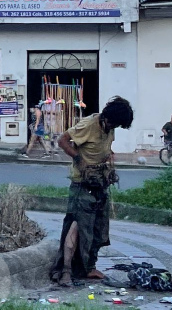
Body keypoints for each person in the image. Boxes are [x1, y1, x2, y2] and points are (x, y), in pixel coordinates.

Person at [50, 96, 134, 286]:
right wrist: (80, 160)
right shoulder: (88, 124)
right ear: (108, 117)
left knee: (98, 229)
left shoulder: (110, 127)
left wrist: (109, 160)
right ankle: (64, 271)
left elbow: (103, 148)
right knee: (76, 227)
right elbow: (63, 140)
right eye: (116, 123)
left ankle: (88, 268)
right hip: (82, 185)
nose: (115, 127)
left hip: (100, 183)